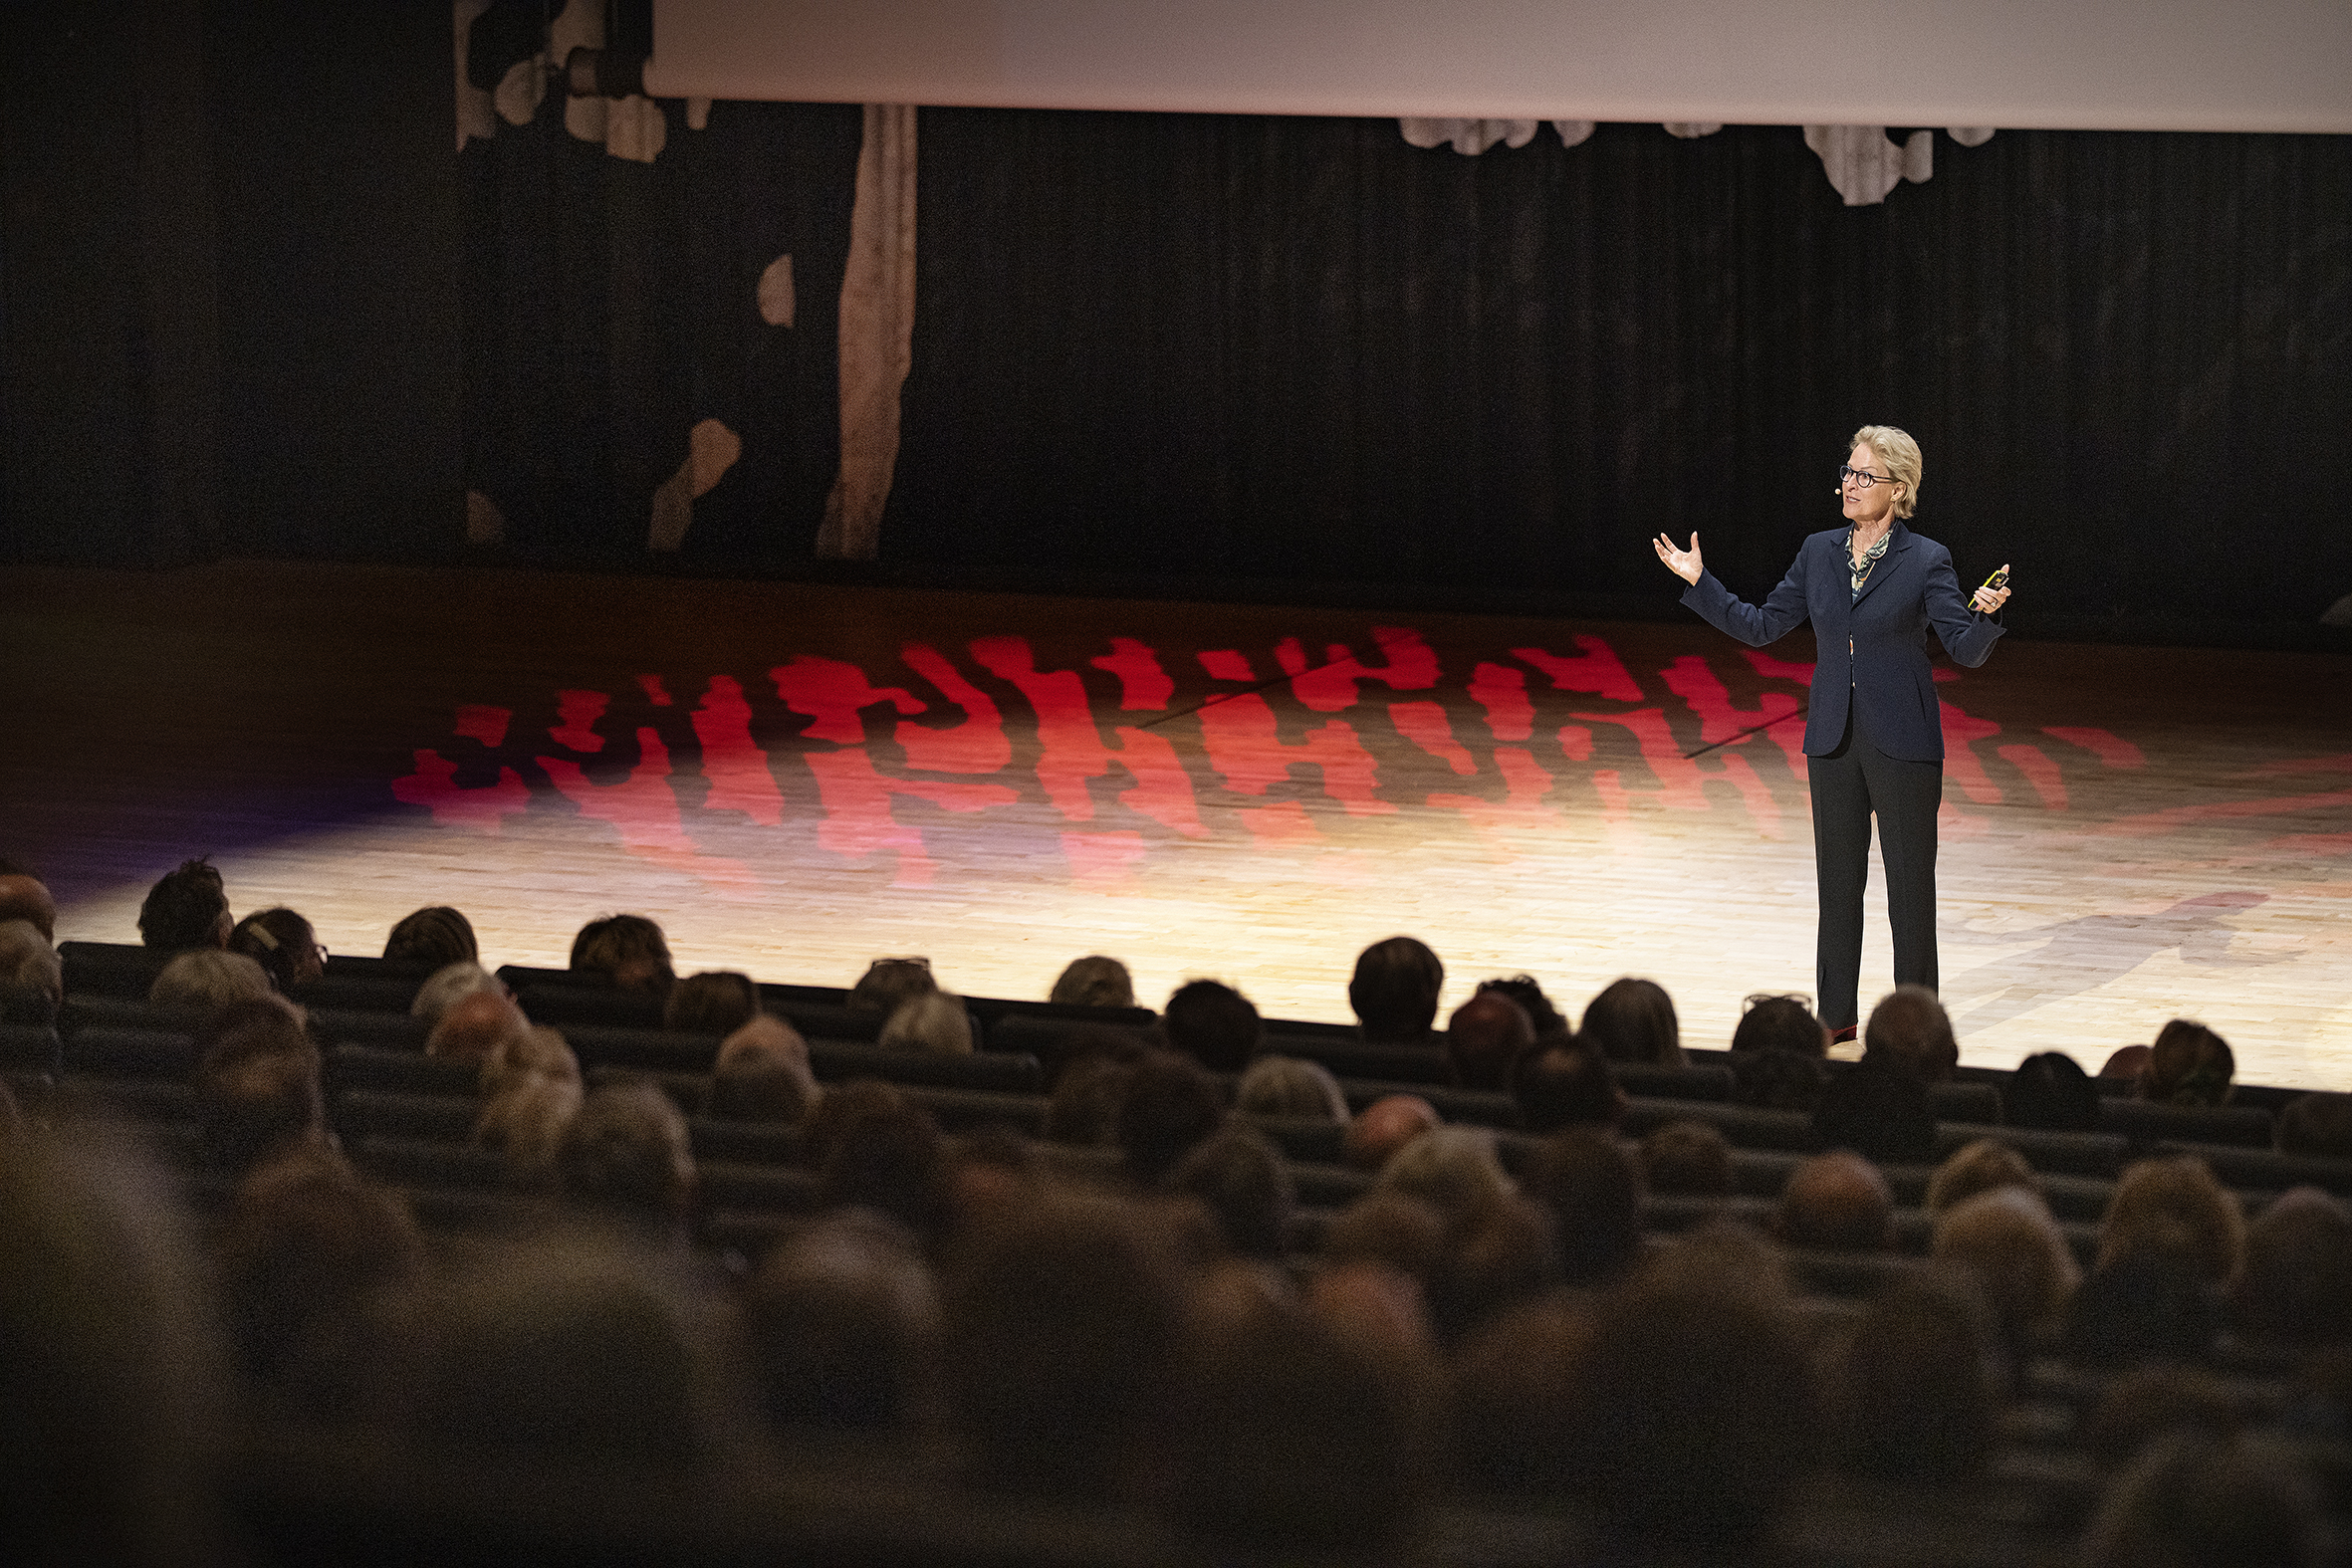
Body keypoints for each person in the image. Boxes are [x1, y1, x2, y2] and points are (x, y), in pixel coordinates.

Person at [1655, 424, 2010, 1035]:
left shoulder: (1927, 559)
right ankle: (1836, 1021)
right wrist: (1700, 582)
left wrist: (1982, 616)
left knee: (1909, 898)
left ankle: (1914, 1025)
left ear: (1898, 490)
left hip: (1904, 744)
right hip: (1833, 741)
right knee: (1838, 896)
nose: (1849, 484)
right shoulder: (1818, 551)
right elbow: (1764, 624)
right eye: (1847, 472)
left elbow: (1964, 649)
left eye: (1863, 476)